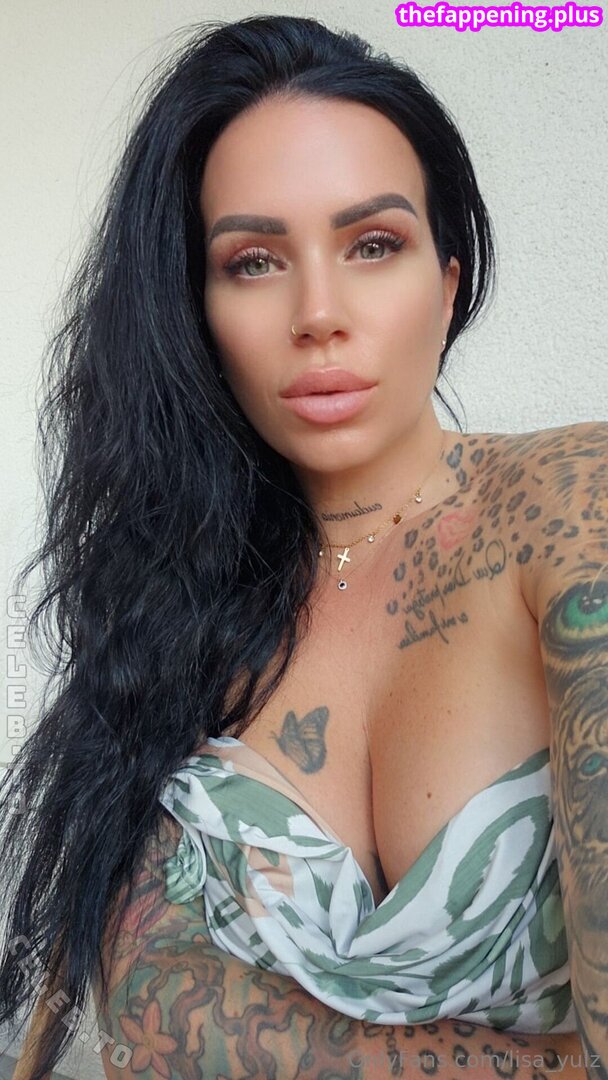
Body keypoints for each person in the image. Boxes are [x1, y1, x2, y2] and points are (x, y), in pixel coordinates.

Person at [1, 13, 605, 1080]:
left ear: (448, 281)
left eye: (372, 245)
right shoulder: (169, 613)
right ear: (194, 311)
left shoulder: (572, 502)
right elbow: (138, 1024)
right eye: (252, 261)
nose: (318, 313)